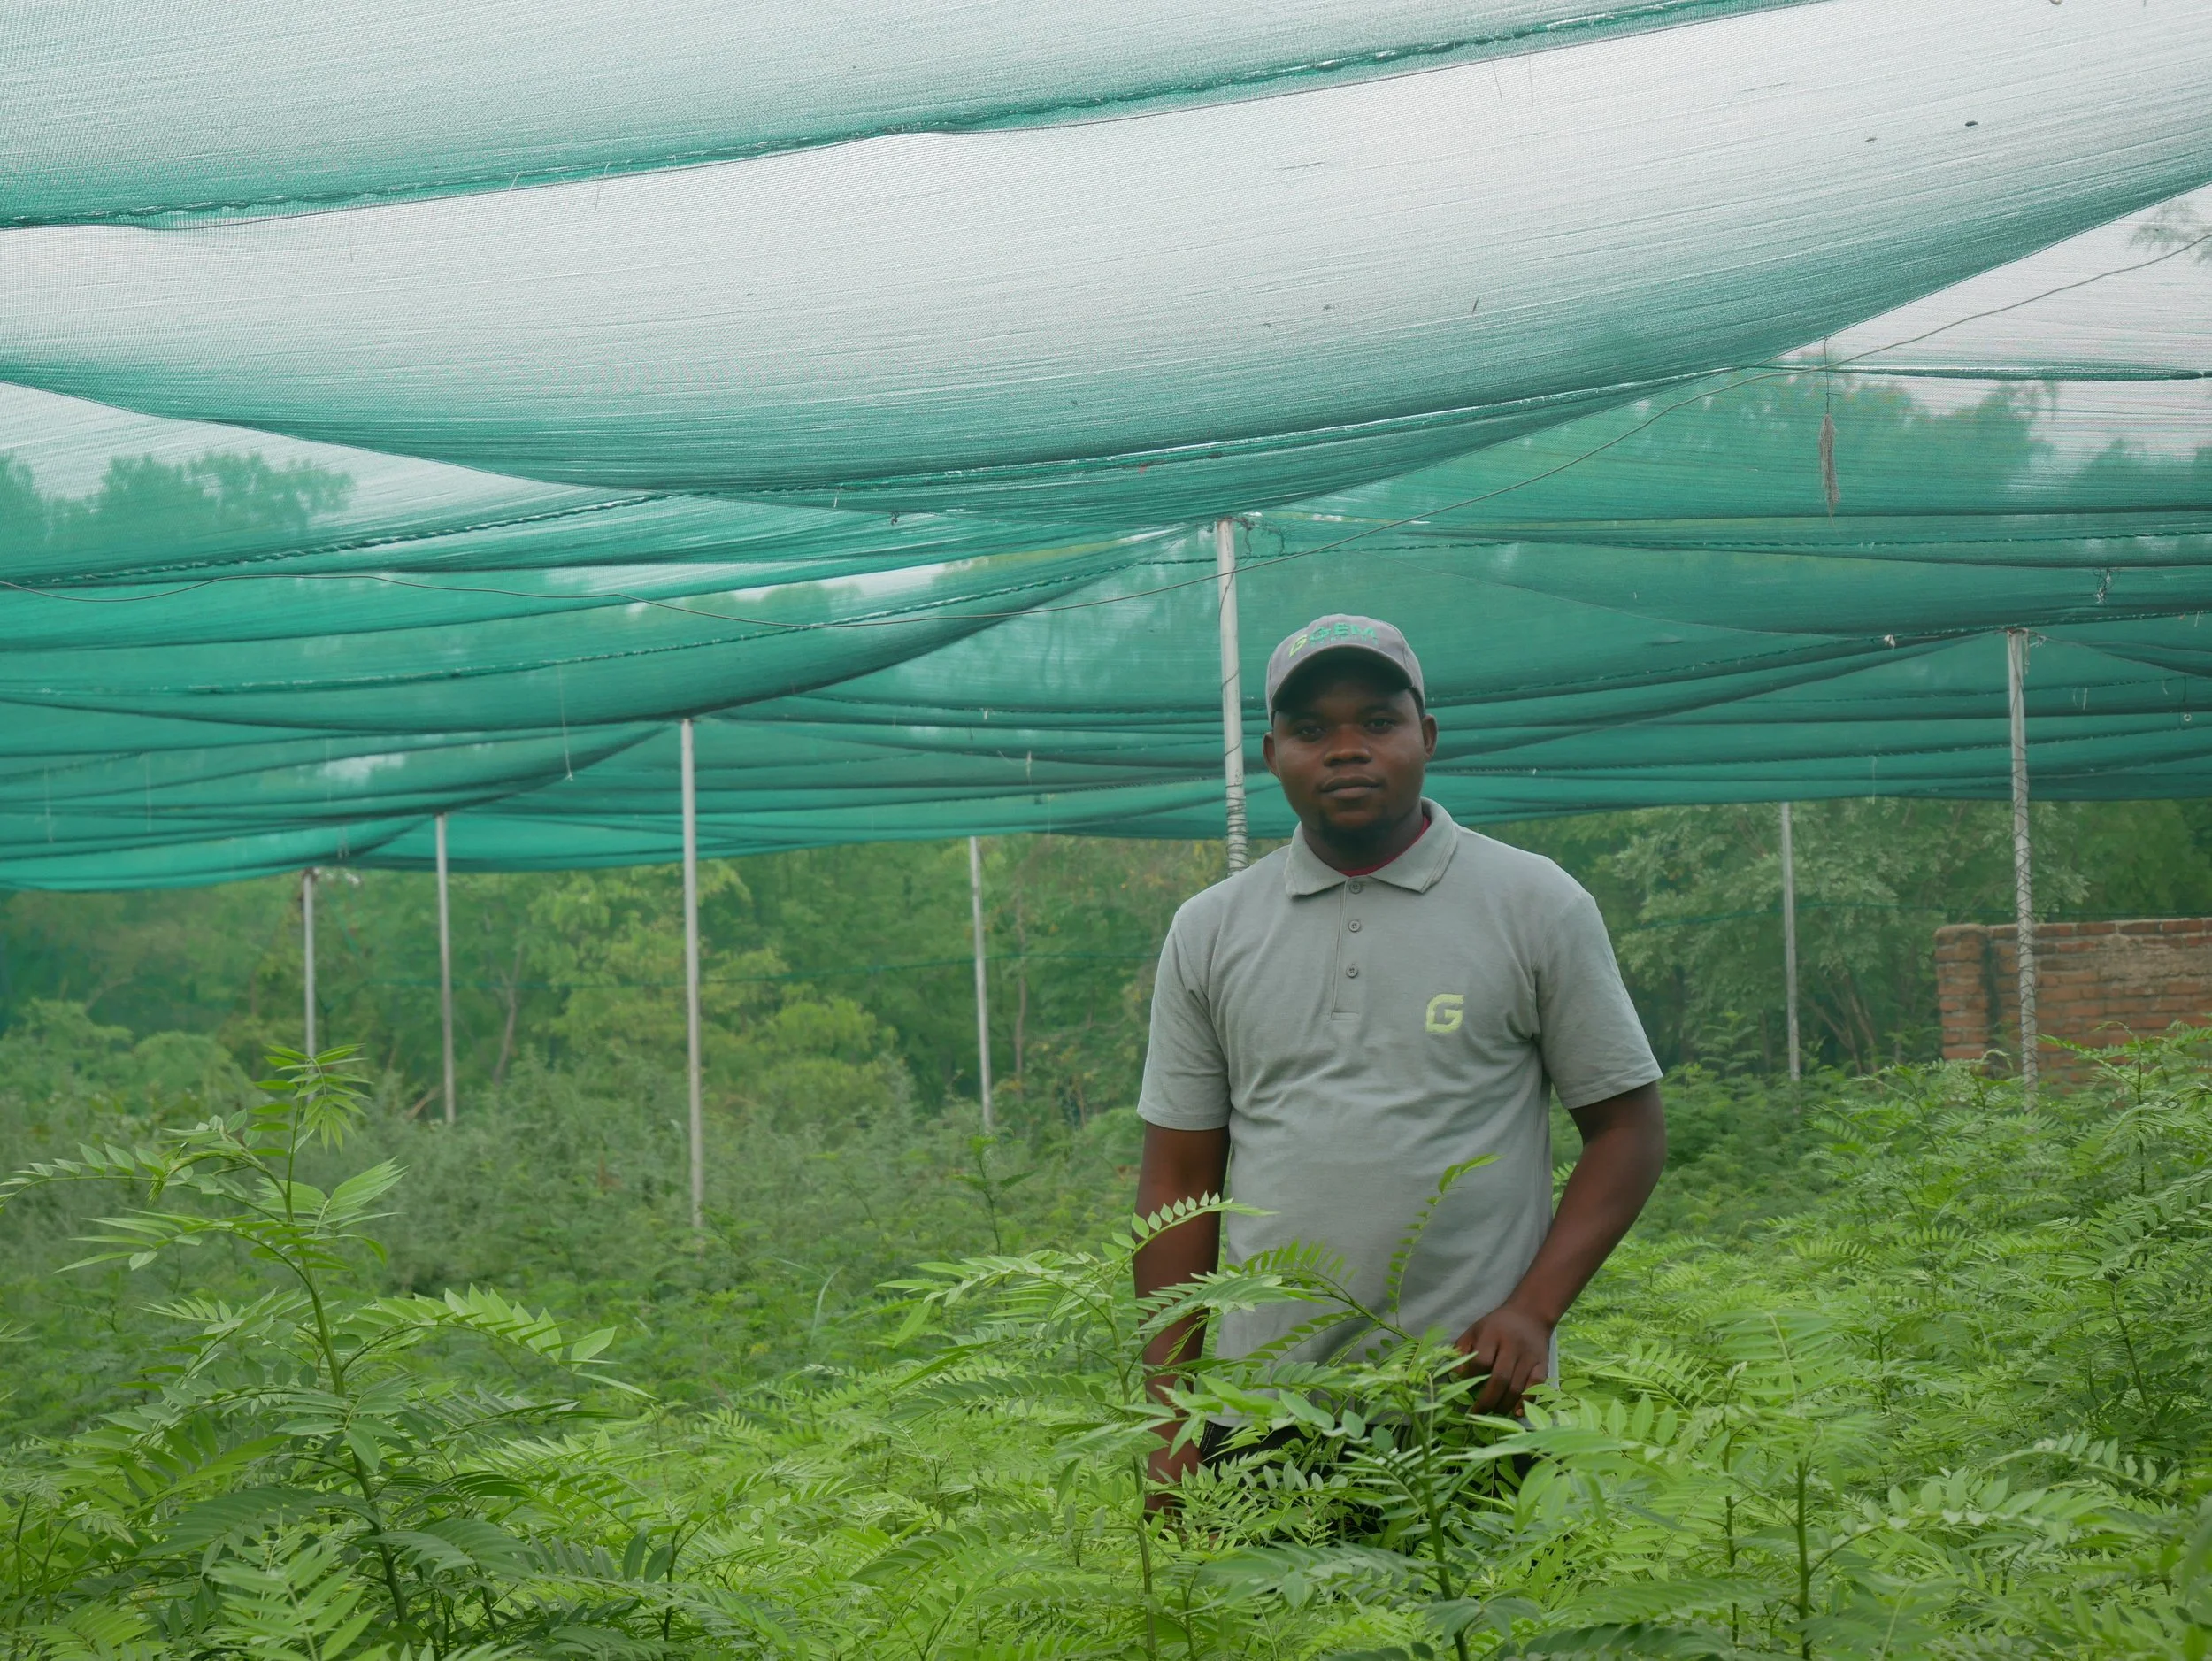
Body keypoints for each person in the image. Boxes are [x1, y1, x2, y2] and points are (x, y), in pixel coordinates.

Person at [1133, 613, 1666, 1494]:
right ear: (1272, 754)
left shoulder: (1535, 903)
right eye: (1311, 729)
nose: (1346, 749)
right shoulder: (1210, 930)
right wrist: (1170, 1418)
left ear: (1427, 734)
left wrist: (1531, 1312)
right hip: (1261, 1412)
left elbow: (1628, 1129)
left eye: (1376, 721)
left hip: (1472, 1402)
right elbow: (1177, 1183)